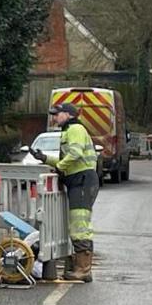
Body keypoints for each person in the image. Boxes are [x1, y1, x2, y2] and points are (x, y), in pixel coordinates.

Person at [44, 99, 101, 282]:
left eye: (57, 114)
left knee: (79, 225)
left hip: (82, 181)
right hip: (80, 180)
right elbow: (72, 157)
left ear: (68, 115)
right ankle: (80, 267)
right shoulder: (70, 130)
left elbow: (75, 154)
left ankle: (83, 269)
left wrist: (60, 166)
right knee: (77, 224)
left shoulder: (75, 129)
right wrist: (44, 158)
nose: (54, 118)